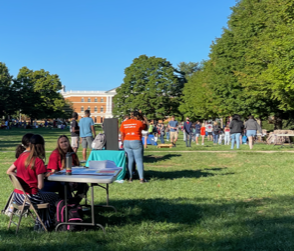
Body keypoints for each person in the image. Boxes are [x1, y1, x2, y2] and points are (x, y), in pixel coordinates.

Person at [6, 134, 59, 230]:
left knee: (45, 197)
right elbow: (40, 186)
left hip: (17, 196)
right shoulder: (38, 161)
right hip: (30, 197)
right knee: (56, 197)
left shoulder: (22, 156)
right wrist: (42, 176)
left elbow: (9, 171)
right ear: (41, 147)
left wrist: (20, 179)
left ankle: (42, 223)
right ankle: (46, 224)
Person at [44, 135, 88, 201]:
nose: (64, 143)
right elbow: (53, 172)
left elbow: (77, 167)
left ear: (68, 142)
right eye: (61, 142)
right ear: (58, 144)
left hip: (71, 177)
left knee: (84, 186)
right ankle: (69, 204)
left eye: (65, 141)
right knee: (65, 185)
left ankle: (75, 202)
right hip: (57, 180)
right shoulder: (55, 154)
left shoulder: (72, 153)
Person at [120, 111, 148, 183]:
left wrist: (123, 142)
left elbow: (122, 134)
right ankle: (141, 179)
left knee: (130, 160)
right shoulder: (139, 122)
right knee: (139, 160)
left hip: (127, 141)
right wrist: (142, 117)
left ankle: (130, 178)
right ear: (137, 116)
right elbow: (146, 128)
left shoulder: (124, 123)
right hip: (136, 141)